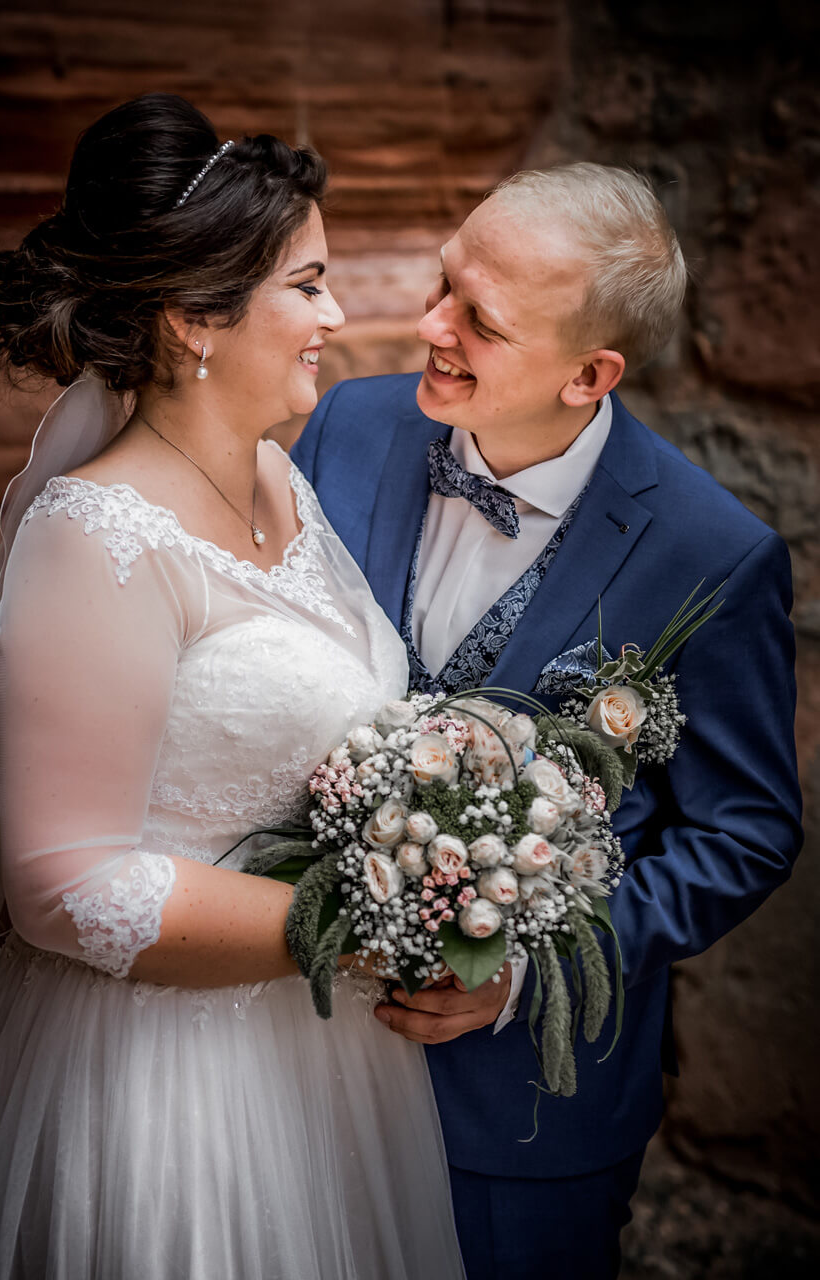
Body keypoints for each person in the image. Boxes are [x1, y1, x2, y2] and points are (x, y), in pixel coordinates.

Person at [0, 93, 465, 1280]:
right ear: (193, 318)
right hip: (159, 1083)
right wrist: (361, 918)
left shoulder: (278, 478)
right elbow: (66, 885)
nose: (336, 315)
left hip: (327, 1059)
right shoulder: (95, 533)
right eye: (307, 284)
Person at [292, 163, 803, 1279]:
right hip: (291, 1063)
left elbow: (745, 833)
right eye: (444, 283)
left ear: (589, 374)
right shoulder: (346, 426)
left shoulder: (712, 556)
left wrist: (522, 970)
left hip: (519, 1114)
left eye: (479, 320)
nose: (430, 326)